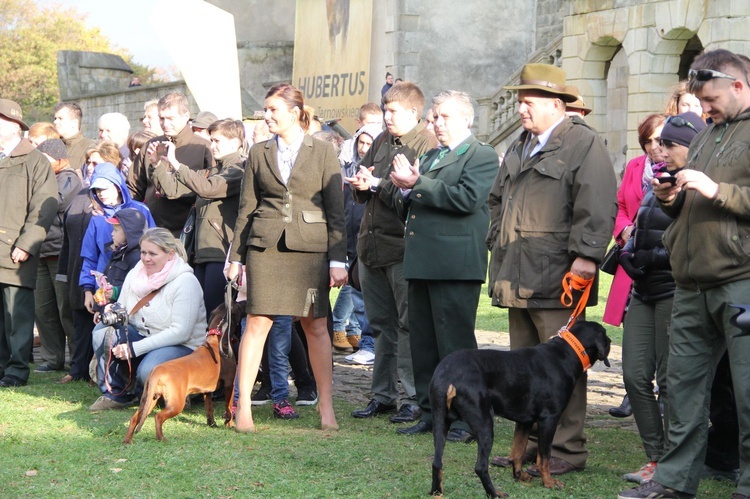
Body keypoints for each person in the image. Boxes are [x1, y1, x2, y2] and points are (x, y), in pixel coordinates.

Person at [619, 48, 750, 499]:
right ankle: (673, 483)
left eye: (711, 99)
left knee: (748, 394)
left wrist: (718, 190)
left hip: (741, 280)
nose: (704, 109)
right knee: (683, 389)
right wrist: (673, 199)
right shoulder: (708, 136)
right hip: (690, 281)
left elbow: (724, 197)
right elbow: (692, 205)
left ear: (738, 85)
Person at [486, 63, 616, 475]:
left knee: (563, 368)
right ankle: (525, 450)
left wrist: (588, 256)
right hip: (516, 274)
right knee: (523, 368)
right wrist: (496, 238)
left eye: (529, 102)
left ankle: (567, 449)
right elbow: (497, 199)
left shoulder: (582, 144)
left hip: (559, 274)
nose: (521, 108)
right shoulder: (521, 143)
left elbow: (597, 202)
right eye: (521, 101)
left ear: (557, 104)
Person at [227, 83, 347, 433]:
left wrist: (338, 259)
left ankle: (326, 405)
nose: (266, 117)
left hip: (311, 251)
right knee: (257, 324)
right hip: (265, 249)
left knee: (316, 326)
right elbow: (246, 209)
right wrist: (236, 256)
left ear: (295, 113)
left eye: (273, 110)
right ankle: (244, 407)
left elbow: (336, 212)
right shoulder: (258, 153)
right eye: (265, 110)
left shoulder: (323, 152)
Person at [389, 90, 499, 441]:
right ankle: (429, 412)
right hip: (422, 260)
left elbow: (468, 199)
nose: (436, 123)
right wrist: (405, 190)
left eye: (444, 117)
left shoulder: (481, 155)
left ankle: (468, 418)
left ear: (466, 120)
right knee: (423, 344)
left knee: (455, 347)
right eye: (434, 117)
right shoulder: (433, 155)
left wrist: (417, 184)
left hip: (454, 263)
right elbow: (412, 206)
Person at [617, 112, 705, 485]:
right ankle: (655, 457)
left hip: (677, 292)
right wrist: (629, 253)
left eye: (668, 144)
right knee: (634, 375)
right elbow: (642, 227)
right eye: (657, 143)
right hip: (643, 290)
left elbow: (695, 242)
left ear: (691, 147)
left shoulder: (700, 184)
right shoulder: (657, 182)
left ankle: (674, 462)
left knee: (672, 382)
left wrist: (652, 257)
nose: (659, 150)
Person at [346, 81, 437, 425]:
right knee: (380, 326)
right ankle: (383, 395)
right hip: (372, 246)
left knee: (408, 325)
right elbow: (365, 177)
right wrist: (360, 183)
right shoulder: (383, 140)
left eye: (393, 111)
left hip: (402, 247)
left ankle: (413, 398)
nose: (386, 116)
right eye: (384, 110)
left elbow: (413, 199)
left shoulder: (425, 145)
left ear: (414, 112)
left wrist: (376, 185)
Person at [89, 228, 207, 410]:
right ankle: (115, 394)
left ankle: (171, 391)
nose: (146, 258)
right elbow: (124, 308)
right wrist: (115, 310)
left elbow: (181, 333)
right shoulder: (135, 273)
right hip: (143, 335)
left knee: (149, 371)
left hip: (182, 345)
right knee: (102, 332)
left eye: (153, 253)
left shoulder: (185, 282)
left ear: (170, 255)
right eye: (143, 252)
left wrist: (134, 349)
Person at [604, 113, 667, 419]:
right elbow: (620, 205)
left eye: (659, 140)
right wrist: (624, 228)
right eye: (648, 141)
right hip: (631, 258)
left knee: (663, 331)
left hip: (664, 264)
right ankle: (633, 392)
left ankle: (662, 393)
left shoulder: (680, 169)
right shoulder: (633, 167)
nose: (653, 147)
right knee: (633, 323)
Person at [151, 118, 244, 315]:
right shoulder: (212, 171)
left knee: (216, 315)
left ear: (235, 143)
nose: (212, 146)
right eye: (211, 140)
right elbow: (172, 190)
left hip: (221, 253)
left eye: (217, 141)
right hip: (200, 254)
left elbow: (208, 188)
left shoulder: (239, 170)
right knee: (201, 315)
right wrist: (158, 164)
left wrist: (176, 164)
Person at [0, 99, 58, 387]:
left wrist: (27, 243)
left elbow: (44, 209)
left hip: (15, 252)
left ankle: (16, 371)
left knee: (16, 317)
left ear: (13, 126)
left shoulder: (34, 161)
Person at [128, 92, 213, 236]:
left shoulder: (204, 148)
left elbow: (210, 190)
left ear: (186, 116)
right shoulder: (151, 145)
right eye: (161, 118)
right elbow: (133, 187)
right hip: (151, 231)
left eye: (171, 118)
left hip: (186, 233)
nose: (165, 124)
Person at [332, 124, 382, 363]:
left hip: (370, 240)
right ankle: (359, 337)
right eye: (360, 142)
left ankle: (368, 342)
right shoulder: (347, 168)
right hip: (350, 239)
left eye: (368, 143)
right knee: (354, 291)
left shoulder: (379, 172)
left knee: (363, 297)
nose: (363, 148)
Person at [33, 139, 82, 373]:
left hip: (59, 251)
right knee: (43, 309)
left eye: (46, 160)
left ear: (60, 160)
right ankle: (52, 357)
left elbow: (56, 203)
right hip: (39, 250)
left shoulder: (69, 177)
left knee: (65, 309)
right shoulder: (42, 178)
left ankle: (76, 359)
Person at [53, 102, 95, 172]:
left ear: (74, 122)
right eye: (55, 118)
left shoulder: (89, 147)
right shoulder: (51, 146)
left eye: (60, 118)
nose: (55, 122)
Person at [98, 112, 132, 176]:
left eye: (108, 131)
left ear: (122, 132)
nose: (103, 135)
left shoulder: (130, 156)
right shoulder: (95, 154)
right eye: (101, 130)